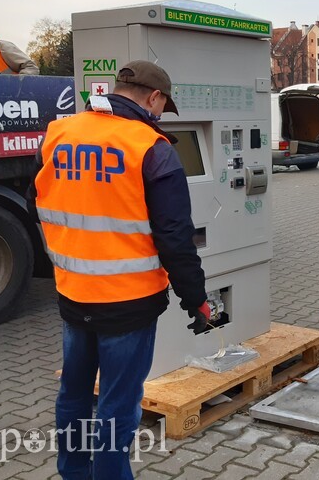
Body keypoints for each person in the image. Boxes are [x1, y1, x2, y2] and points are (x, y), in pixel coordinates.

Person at [28, 60, 209, 479]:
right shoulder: (152, 147)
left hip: (74, 295)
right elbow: (175, 238)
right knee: (117, 405)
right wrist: (197, 301)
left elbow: (33, 201)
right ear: (154, 97)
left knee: (73, 395)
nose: (160, 115)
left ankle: (74, 473)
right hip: (129, 304)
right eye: (162, 107)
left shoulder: (61, 133)